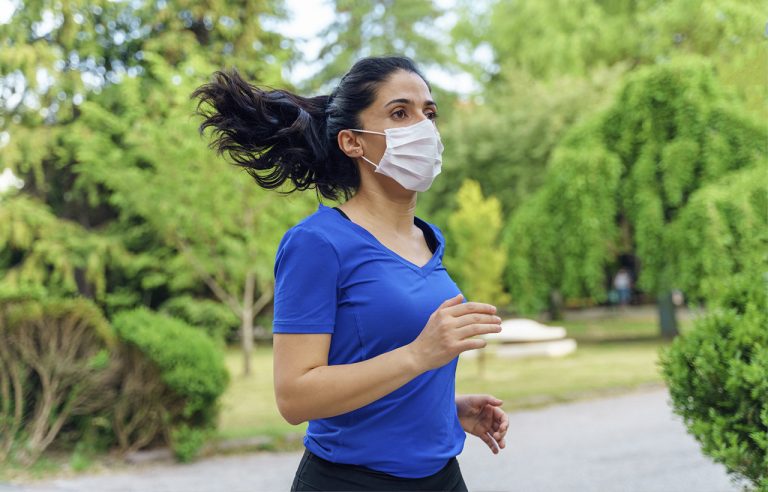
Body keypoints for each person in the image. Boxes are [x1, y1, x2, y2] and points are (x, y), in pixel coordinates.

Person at [192, 56, 509, 491]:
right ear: (352, 142)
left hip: (442, 478)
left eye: (429, 113)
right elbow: (295, 396)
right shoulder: (317, 243)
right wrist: (419, 355)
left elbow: (380, 356)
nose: (424, 127)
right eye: (400, 113)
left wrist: (445, 408)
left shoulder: (428, 239)